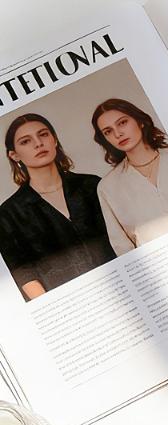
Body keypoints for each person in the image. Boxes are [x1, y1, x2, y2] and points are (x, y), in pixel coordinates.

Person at [0, 113, 115, 301]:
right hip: (69, 306)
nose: (38, 143)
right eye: (26, 141)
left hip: (120, 288)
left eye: (43, 134)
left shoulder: (92, 185)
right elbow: (23, 273)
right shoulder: (8, 214)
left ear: (54, 140)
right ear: (14, 155)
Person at [91, 99, 168, 256]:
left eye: (122, 123)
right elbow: (123, 247)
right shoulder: (108, 187)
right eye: (108, 131)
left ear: (140, 121)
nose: (118, 134)